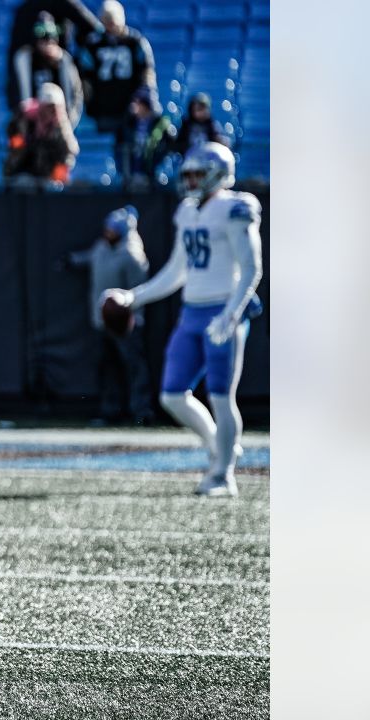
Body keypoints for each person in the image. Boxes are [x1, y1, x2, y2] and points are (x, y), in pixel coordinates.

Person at [100, 142, 263, 497]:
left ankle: (223, 475)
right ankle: (218, 448)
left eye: (197, 174)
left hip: (223, 308)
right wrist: (133, 297)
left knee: (221, 396)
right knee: (172, 395)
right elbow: (177, 270)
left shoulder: (236, 208)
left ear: (218, 173)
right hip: (192, 311)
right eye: (186, 174)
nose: (190, 181)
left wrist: (232, 313)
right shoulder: (187, 212)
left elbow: (251, 268)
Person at [64, 206, 152, 424]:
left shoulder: (132, 256)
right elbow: (88, 258)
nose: (107, 232)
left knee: (133, 367)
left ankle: (141, 412)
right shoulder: (101, 247)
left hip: (126, 325)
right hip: (101, 322)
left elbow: (140, 291)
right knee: (107, 367)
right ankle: (110, 410)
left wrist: (134, 319)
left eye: (112, 229)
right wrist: (71, 260)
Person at [78, 0, 156, 134]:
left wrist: (143, 98)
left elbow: (147, 71)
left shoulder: (135, 41)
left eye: (112, 22)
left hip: (130, 107)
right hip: (103, 107)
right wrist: (89, 103)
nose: (110, 27)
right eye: (106, 22)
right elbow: (84, 76)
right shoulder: (93, 44)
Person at [9, 12, 83, 127]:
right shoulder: (25, 59)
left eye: (51, 39)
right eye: (44, 40)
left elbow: (76, 94)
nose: (48, 44)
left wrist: (69, 122)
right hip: (33, 123)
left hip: (59, 122)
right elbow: (15, 92)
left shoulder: (64, 61)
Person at [4, 82, 79, 184]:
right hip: (22, 171)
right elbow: (15, 148)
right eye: (49, 106)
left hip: (48, 177)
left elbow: (70, 151)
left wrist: (58, 174)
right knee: (23, 183)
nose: (53, 111)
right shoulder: (23, 119)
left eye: (56, 107)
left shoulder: (60, 125)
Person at [115, 85, 175, 187]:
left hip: (153, 170)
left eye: (138, 103)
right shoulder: (128, 123)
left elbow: (170, 145)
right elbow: (120, 146)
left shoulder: (160, 124)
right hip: (133, 169)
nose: (134, 106)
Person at [8, 0, 102, 61]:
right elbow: (17, 48)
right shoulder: (25, 10)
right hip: (36, 67)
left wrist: (80, 47)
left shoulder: (66, 4)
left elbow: (93, 27)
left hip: (61, 62)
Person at [174, 92, 228, 157]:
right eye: (196, 109)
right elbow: (178, 145)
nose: (199, 112)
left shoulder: (212, 125)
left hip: (209, 162)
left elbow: (223, 142)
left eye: (201, 109)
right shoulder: (186, 125)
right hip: (190, 162)